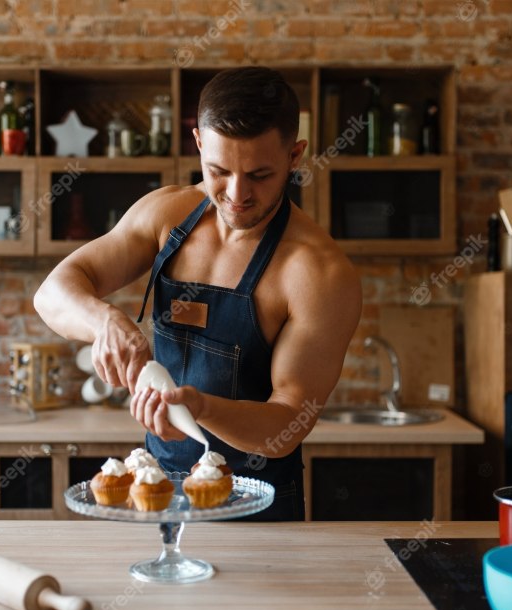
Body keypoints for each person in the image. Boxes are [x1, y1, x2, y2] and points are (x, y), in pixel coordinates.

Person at [34, 66, 362, 520]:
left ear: (295, 156)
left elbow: (287, 423)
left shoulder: (319, 273)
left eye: (260, 174)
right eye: (219, 171)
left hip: (258, 507)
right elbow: (52, 293)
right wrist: (104, 321)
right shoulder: (167, 215)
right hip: (157, 492)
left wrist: (201, 407)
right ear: (199, 144)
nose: (236, 194)